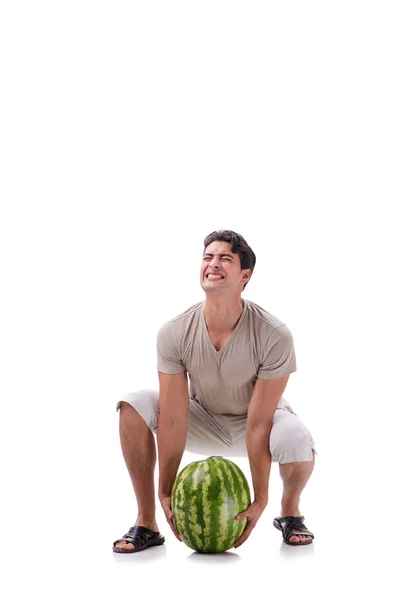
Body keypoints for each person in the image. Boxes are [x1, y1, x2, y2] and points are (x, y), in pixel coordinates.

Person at [113, 230, 316, 553]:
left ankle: (289, 513)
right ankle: (146, 523)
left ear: (244, 275)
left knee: (297, 438)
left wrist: (260, 497)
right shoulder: (175, 331)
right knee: (134, 403)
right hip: (203, 418)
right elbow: (174, 417)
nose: (213, 263)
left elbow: (259, 423)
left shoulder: (274, 334)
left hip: (259, 423)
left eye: (225, 258)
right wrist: (165, 491)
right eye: (208, 257)